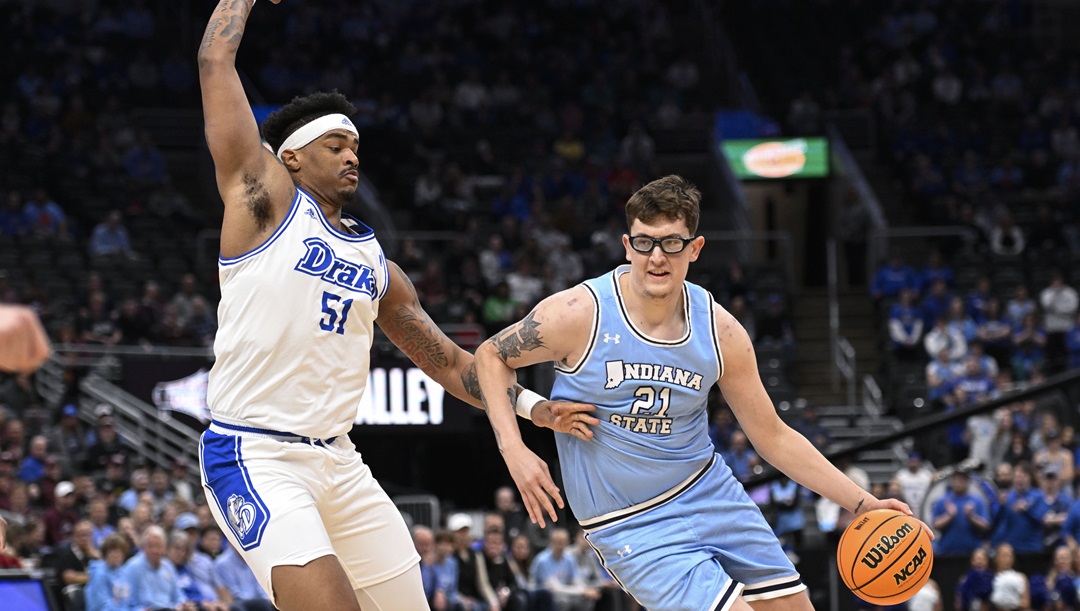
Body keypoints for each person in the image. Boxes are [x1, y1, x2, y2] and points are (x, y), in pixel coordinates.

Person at [194, 2, 596, 609]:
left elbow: (452, 365)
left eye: (355, 146)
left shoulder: (377, 265)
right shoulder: (264, 203)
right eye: (335, 145)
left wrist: (534, 408)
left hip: (339, 460)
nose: (352, 156)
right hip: (256, 453)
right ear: (291, 157)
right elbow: (214, 60)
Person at [474, 175, 914, 610]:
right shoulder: (578, 313)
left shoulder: (721, 331)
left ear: (695, 248)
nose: (656, 257)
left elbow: (773, 436)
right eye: (644, 243)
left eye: (671, 243)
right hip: (630, 522)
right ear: (627, 246)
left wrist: (863, 502)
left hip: (709, 493)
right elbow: (489, 356)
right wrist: (515, 450)